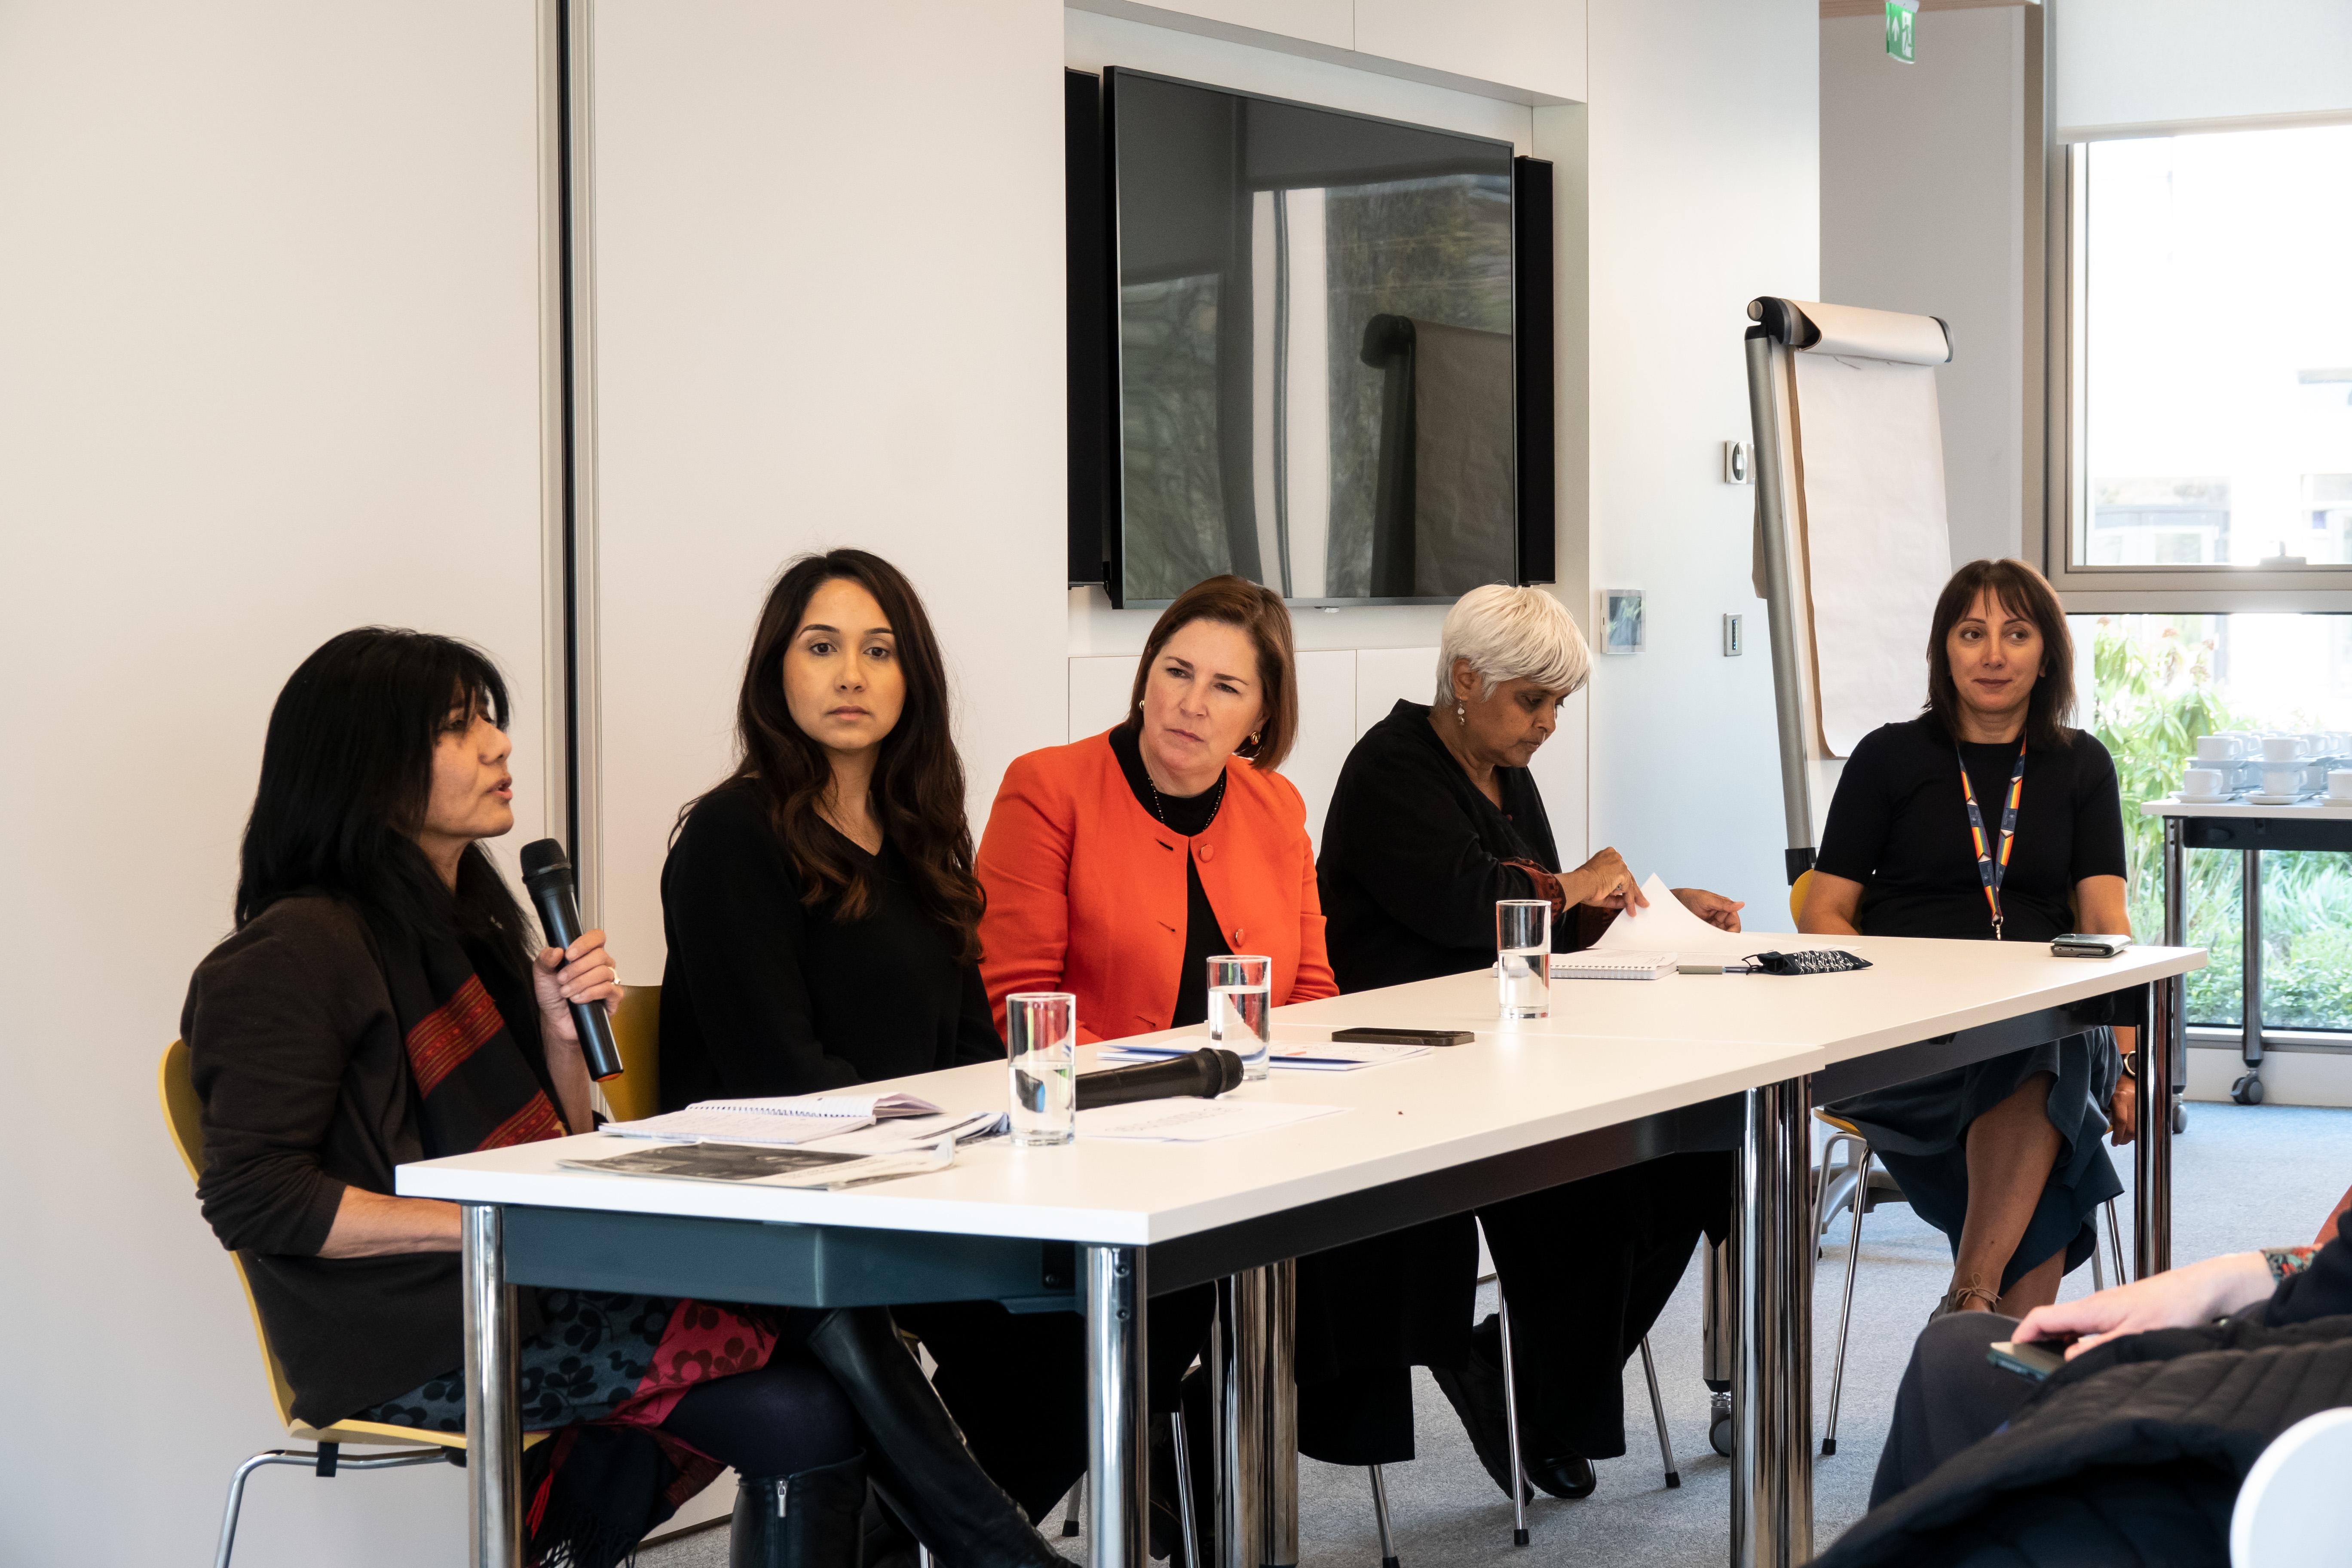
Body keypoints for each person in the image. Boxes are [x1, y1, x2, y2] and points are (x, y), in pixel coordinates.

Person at [186, 627, 1064, 1568]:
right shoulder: (293, 954)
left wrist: (563, 1045)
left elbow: (554, 1148)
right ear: (365, 767)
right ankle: (1000, 1555)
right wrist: (491, 1226)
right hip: (411, 1335)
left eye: (492, 720)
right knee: (808, 1323)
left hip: (529, 1286)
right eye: (459, 728)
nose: (499, 746)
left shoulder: (464, 930)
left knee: (809, 1337)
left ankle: (993, 1554)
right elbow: (256, 1199)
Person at [656, 548, 1087, 1538]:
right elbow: (784, 1078)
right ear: (777, 671)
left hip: (903, 1197)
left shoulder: (922, 838)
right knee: (908, 1340)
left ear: (910, 679)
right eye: (821, 647)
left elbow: (974, 1053)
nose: (851, 674)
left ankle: (898, 1556)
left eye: (878, 650)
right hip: (771, 1206)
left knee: (1078, 1336)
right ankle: (1002, 1557)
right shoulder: (731, 835)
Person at [1311, 582, 1743, 1500]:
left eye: (1558, 705)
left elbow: (1546, 922)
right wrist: (1577, 881)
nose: (1548, 725)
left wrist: (1670, 907)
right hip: (1409, 1070)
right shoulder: (1389, 767)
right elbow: (1476, 906)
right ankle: (1533, 1392)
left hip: (1514, 1057)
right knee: (1597, 1193)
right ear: (1465, 679)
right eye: (1532, 702)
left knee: (1689, 1160)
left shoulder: (1504, 770)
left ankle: (1517, 1379)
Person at [974, 573, 1329, 1546]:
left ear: (1259, 718)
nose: (1188, 701)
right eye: (1174, 670)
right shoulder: (1048, 788)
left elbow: (1311, 999)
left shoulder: (1275, 806)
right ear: (1142, 680)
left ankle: (1203, 1515)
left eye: (1224, 687)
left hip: (1250, 1145)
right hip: (1088, 1151)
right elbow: (1013, 1004)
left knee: (1340, 1263)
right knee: (1176, 1293)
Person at [1801, 558, 2138, 1321]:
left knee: (2043, 1036)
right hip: (1909, 1033)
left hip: (2037, 1018)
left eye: (2015, 634)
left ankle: (1971, 1298)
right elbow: (1823, 909)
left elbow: (2106, 923)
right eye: (1972, 633)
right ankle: (1991, 1365)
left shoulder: (2082, 764)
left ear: (2044, 653)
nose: (1992, 654)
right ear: (1942, 650)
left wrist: (2126, 1059)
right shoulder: (1887, 757)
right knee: (2058, 1119)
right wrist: (1878, 992)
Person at [1817, 1208, 2352, 1566]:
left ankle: (1978, 1286)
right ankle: (1977, 1292)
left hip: (2310, 1424)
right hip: (2305, 1329)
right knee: (1958, 1355)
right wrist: (2227, 1277)